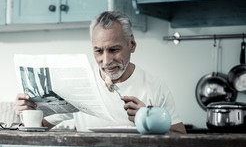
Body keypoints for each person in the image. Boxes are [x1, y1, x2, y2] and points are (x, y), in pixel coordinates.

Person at [14, 11, 187, 134]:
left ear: (132, 44)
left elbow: (182, 139)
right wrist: (27, 112)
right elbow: (39, 126)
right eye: (98, 51)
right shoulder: (79, 84)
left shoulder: (155, 86)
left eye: (114, 50)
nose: (106, 61)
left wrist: (149, 120)